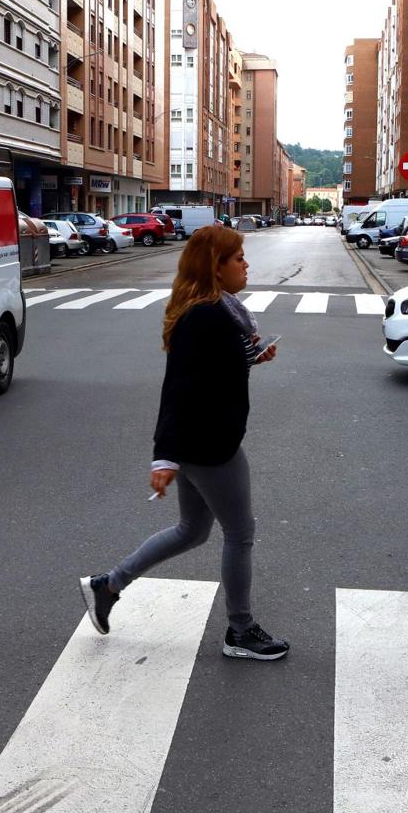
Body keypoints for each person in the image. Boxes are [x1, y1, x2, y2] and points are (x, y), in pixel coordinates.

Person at [78, 225, 289, 660]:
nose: (246, 264)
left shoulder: (220, 311)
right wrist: (165, 456)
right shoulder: (208, 315)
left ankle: (108, 585)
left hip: (204, 441)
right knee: (240, 533)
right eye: (238, 258)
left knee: (192, 531)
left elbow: (216, 371)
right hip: (210, 444)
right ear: (216, 267)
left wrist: (252, 356)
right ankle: (241, 631)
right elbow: (179, 388)